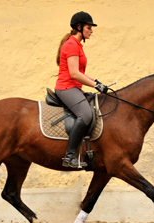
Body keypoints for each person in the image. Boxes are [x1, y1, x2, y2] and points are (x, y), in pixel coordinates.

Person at [54, 11, 108, 169]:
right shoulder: (71, 45)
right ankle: (70, 156)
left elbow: (81, 73)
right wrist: (95, 86)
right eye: (89, 27)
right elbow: (74, 73)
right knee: (85, 114)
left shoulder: (77, 45)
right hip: (66, 87)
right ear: (79, 27)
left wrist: (96, 81)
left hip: (74, 87)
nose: (91, 30)